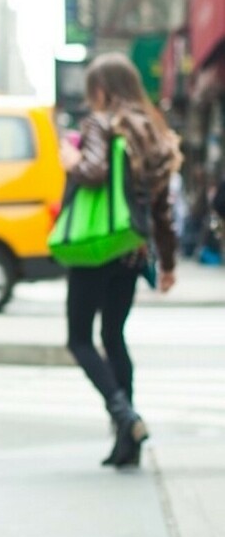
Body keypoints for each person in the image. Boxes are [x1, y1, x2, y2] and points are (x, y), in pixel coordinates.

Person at [58, 52, 180, 467]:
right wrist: (167, 264)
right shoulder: (153, 132)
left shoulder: (101, 124)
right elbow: (161, 208)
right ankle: (126, 445)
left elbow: (92, 171)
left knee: (79, 338)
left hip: (96, 247)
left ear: (104, 90)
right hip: (132, 249)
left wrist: (72, 161)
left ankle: (125, 416)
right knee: (113, 336)